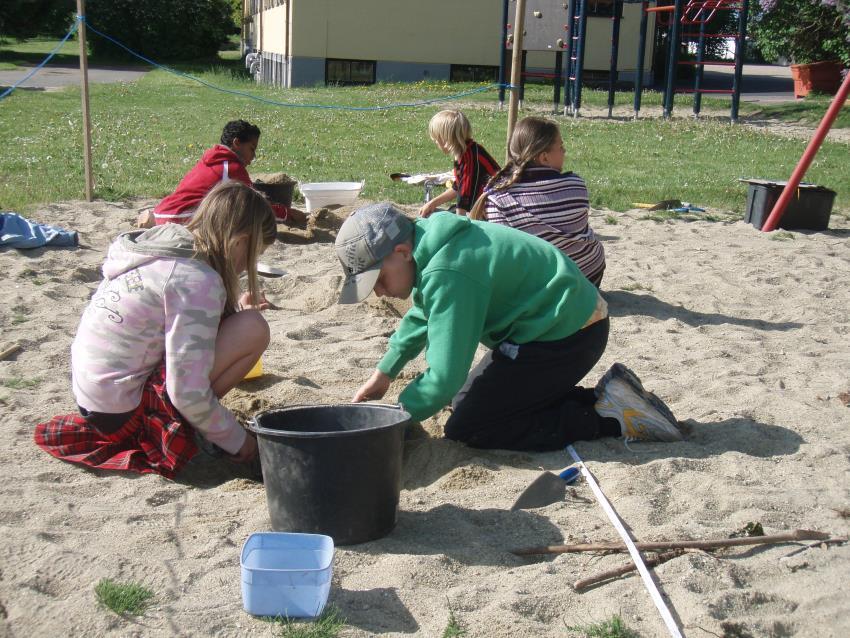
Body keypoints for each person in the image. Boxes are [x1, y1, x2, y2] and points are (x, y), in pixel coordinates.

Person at [335, 203, 683, 451]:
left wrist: (392, 419)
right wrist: (385, 373)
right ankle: (604, 397)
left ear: (401, 251)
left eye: (378, 280)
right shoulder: (430, 243)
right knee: (466, 400)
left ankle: (610, 420)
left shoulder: (448, 272)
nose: (378, 292)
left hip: (567, 335)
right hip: (554, 325)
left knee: (470, 427)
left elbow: (443, 376)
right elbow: (423, 314)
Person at [34, 181, 277, 478]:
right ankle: (183, 426)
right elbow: (186, 391)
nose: (245, 267)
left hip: (95, 398)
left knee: (238, 324)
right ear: (240, 240)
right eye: (252, 256)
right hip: (123, 413)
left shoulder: (162, 250)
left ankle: (198, 423)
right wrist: (241, 444)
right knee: (252, 328)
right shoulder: (196, 278)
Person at [470, 116, 605, 287]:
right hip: (588, 276)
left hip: (540, 288)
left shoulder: (498, 199)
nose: (564, 151)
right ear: (544, 158)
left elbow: (504, 255)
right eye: (561, 146)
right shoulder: (575, 184)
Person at [151, 119, 306, 227]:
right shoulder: (231, 168)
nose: (253, 156)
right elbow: (256, 206)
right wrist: (287, 214)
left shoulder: (213, 160)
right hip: (178, 219)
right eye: (252, 148)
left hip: (163, 214)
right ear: (237, 143)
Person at [419, 110, 500, 218]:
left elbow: (465, 195)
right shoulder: (466, 152)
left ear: (447, 138)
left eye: (437, 139)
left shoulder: (469, 157)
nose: (435, 142)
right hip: (483, 203)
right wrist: (432, 203)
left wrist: (459, 221)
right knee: (447, 212)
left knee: (448, 217)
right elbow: (458, 187)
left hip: (495, 207)